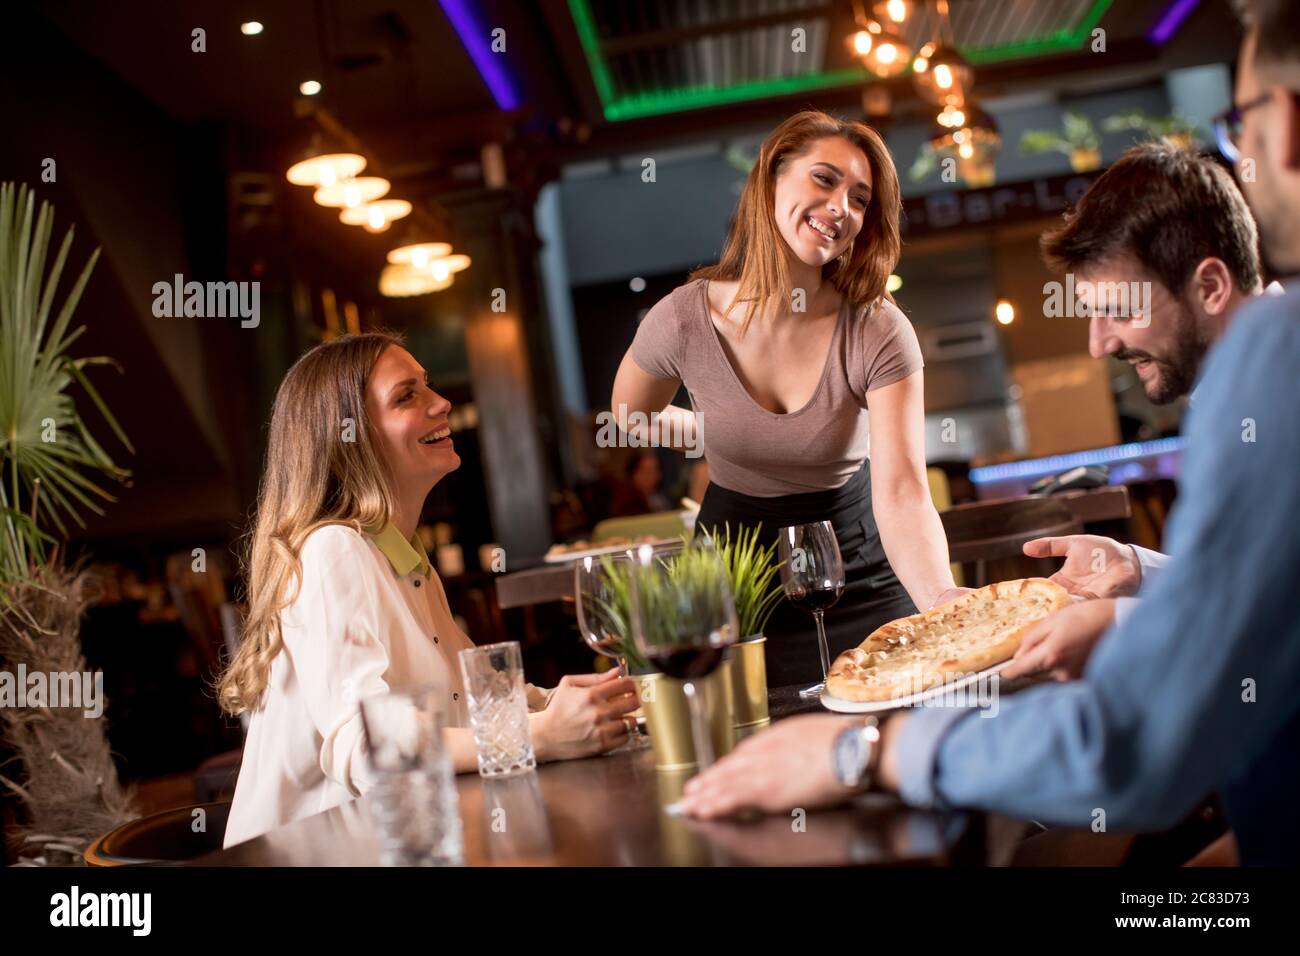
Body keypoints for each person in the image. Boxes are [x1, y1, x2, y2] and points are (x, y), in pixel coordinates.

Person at [679, 0, 1300, 866]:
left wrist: (861, 753)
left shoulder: (1276, 366)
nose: (1097, 345)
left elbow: (1133, 746)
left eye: (1249, 119)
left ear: (1208, 284)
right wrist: (1138, 582)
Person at [219, 333, 638, 847]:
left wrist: (559, 703)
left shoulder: (403, 556)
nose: (441, 403)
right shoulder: (332, 550)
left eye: (428, 387)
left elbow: (464, 703)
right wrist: (544, 735)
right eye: (406, 395)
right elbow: (368, 748)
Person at [611, 110, 965, 687]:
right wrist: (723, 430)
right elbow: (629, 417)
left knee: (901, 729)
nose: (841, 208)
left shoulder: (878, 329)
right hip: (735, 576)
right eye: (824, 179)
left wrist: (942, 597)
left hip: (861, 569)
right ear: (772, 178)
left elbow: (902, 492)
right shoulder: (681, 319)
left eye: (859, 199)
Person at [997, 139, 1268, 680]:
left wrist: (1123, 625)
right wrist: (1135, 567)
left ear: (1209, 286)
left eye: (1118, 311)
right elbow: (1243, 584)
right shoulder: (1231, 397)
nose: (1099, 346)